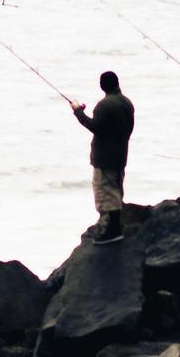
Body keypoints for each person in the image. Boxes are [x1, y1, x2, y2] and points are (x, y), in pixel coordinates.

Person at [72, 71, 134, 241]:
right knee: (116, 189)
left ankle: (113, 231)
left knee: (106, 191)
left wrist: (78, 113)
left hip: (105, 157)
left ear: (102, 86)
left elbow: (96, 127)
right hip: (121, 154)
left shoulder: (104, 105)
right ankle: (114, 225)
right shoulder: (127, 103)